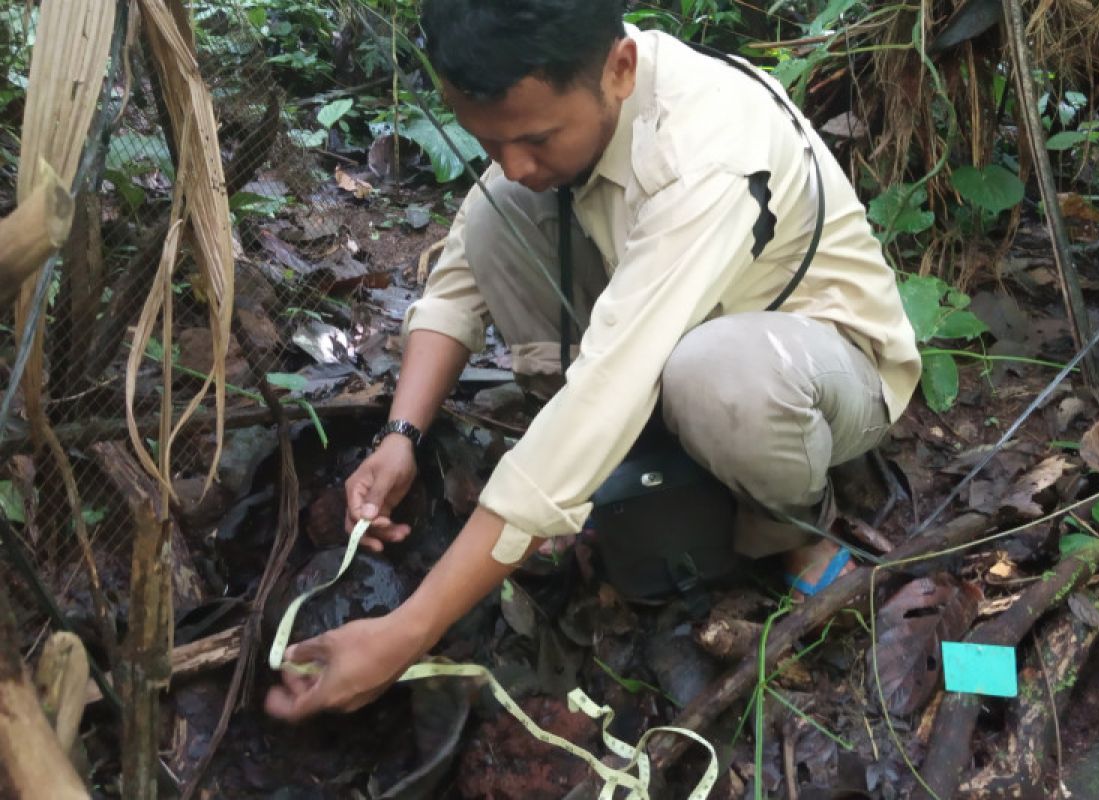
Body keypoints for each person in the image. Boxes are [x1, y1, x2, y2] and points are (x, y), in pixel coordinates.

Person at [265, 0, 920, 722]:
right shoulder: (554, 121)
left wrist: (408, 630)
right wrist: (401, 438)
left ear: (620, 69)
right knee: (492, 216)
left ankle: (789, 532)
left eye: (537, 139)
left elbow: (607, 388)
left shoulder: (708, 149)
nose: (514, 164)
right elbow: (456, 283)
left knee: (717, 374)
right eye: (491, 142)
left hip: (813, 367)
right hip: (670, 344)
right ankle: (607, 484)